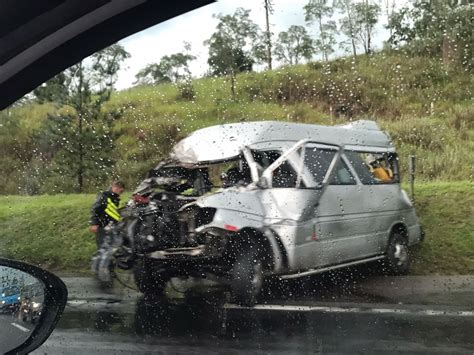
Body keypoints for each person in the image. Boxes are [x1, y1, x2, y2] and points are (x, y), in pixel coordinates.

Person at [90, 181, 125, 250]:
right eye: (120, 191)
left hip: (111, 226)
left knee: (112, 248)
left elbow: (113, 211)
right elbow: (95, 208)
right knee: (103, 249)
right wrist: (94, 223)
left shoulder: (115, 198)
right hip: (102, 226)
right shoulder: (104, 196)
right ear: (115, 187)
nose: (121, 193)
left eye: (122, 192)